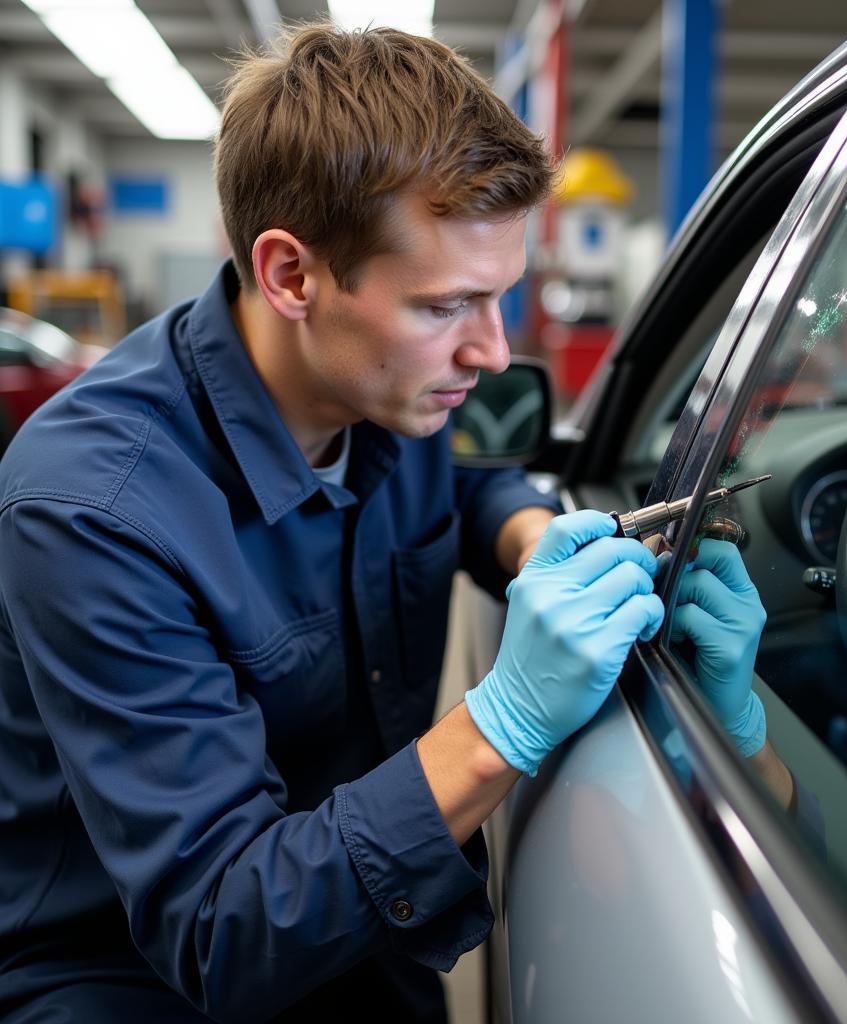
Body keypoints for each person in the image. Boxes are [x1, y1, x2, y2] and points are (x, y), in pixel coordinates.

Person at [0, 23, 779, 1024]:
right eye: (449, 304)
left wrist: (532, 534)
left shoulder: (385, 386)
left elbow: (461, 492)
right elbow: (222, 927)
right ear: (291, 276)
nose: (493, 354)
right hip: (132, 984)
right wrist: (503, 723)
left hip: (365, 936)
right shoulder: (94, 510)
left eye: (502, 299)